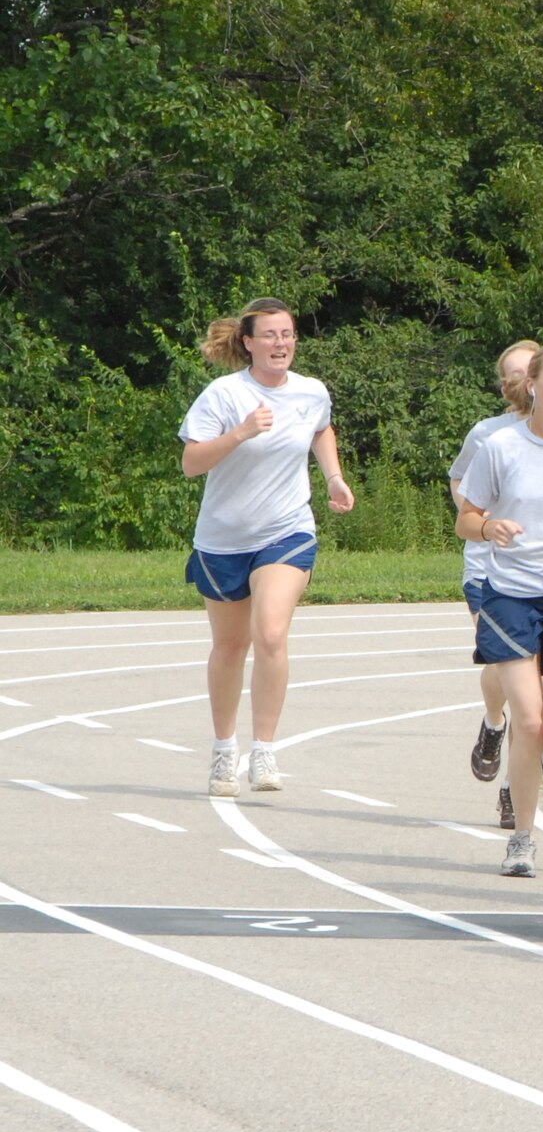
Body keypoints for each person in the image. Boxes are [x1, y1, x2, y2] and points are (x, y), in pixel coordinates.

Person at [179, 298, 355, 795]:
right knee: (230, 647)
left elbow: (321, 428)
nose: (282, 344)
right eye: (272, 336)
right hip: (223, 538)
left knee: (271, 634)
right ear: (249, 342)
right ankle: (222, 749)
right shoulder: (224, 395)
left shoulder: (310, 392)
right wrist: (240, 433)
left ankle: (264, 752)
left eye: (289, 334)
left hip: (287, 530)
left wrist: (334, 479)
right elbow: (192, 463)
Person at [455, 344, 543, 878]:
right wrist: (489, 527)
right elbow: (465, 520)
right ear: (533, 385)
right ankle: (522, 838)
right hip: (509, 593)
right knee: (531, 719)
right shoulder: (500, 445)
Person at [452, 339, 539, 829]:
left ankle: (512, 786)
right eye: (513, 373)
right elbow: (459, 484)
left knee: (536, 690)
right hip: (490, 568)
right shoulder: (488, 434)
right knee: (510, 673)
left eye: (530, 369)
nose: (523, 380)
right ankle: (493, 723)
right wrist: (483, 522)